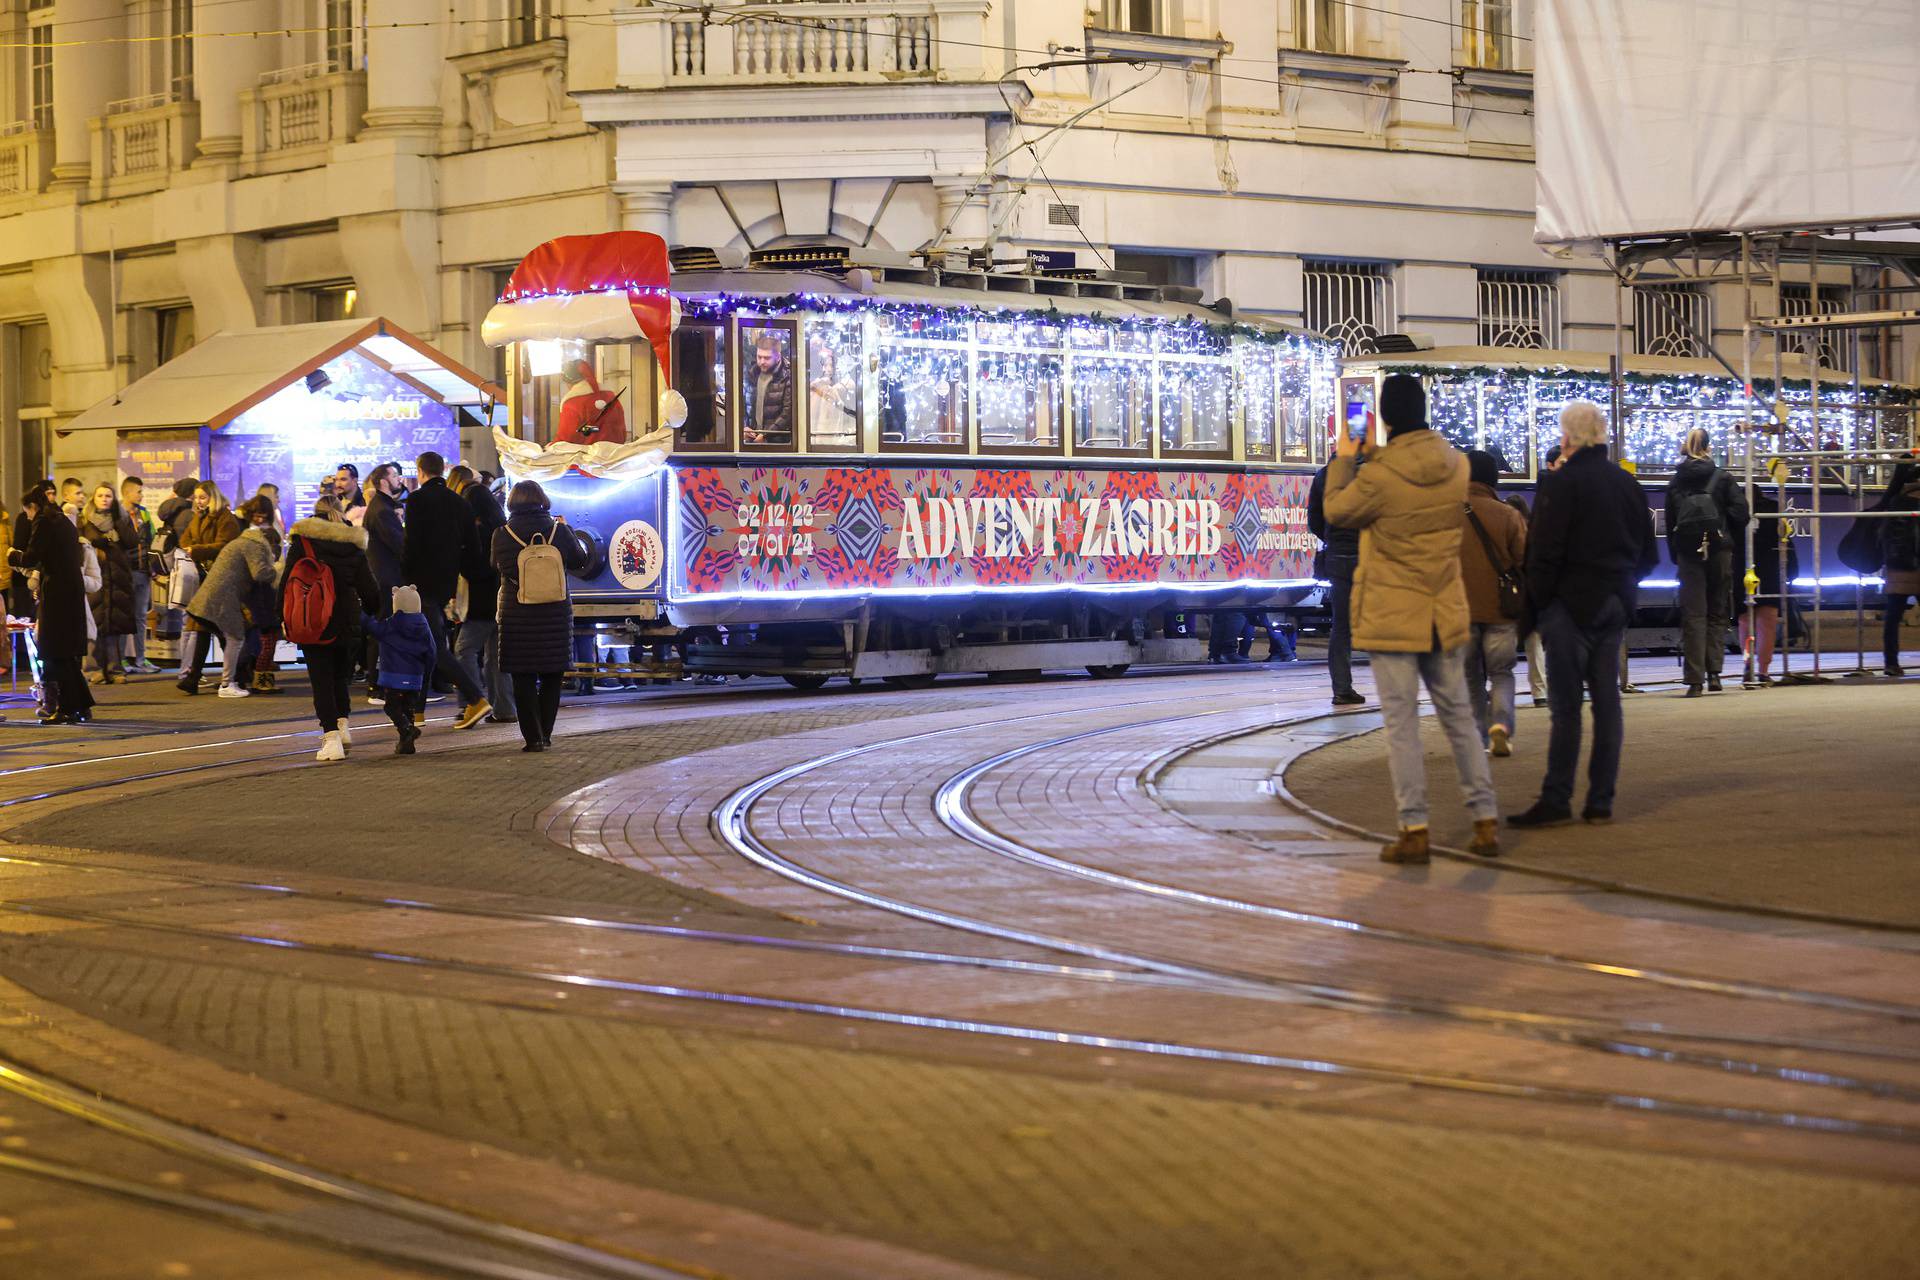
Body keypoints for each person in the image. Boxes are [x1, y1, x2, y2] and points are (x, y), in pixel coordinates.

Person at [1322, 374, 1499, 863]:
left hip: (1395, 615)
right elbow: (1411, 484)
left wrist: (1345, 458)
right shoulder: (1457, 466)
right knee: (1460, 720)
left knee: (1402, 726)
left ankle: (1415, 829)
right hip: (1442, 610)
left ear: (1385, 418)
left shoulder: (1377, 477)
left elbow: (1337, 511)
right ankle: (1485, 822)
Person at [1509, 402, 1658, 828]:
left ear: (1568, 438)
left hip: (1569, 606)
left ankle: (1557, 798)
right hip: (1613, 602)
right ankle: (1600, 800)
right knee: (1607, 702)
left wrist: (1540, 602)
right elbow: (1649, 554)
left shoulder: (1562, 484)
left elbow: (1545, 552)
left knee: (1567, 706)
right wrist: (1622, 584)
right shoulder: (1627, 485)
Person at [282, 496, 380, 761]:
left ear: (316, 513)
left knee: (321, 680)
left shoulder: (303, 540)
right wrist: (371, 613)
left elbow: (287, 581)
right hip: (347, 621)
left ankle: (331, 738)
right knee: (339, 678)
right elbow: (370, 590)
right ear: (340, 512)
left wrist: (283, 616)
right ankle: (343, 726)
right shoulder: (353, 541)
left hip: (313, 619)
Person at [494, 480, 586, 751]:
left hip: (517, 613)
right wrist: (568, 531)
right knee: (551, 676)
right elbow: (580, 560)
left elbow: (494, 566)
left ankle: (532, 739)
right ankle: (546, 734)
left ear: (513, 502)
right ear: (542, 500)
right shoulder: (559, 529)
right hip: (554, 613)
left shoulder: (502, 533)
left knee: (522, 677)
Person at [401, 451, 491, 728]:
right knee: (426, 642)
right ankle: (417, 712)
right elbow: (472, 550)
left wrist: (404, 581)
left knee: (433, 645)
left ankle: (476, 699)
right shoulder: (460, 503)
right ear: (442, 470)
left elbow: (412, 544)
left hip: (420, 583)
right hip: (447, 583)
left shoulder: (415, 501)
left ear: (420, 471)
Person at [1664, 428, 1747, 696]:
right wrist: (1724, 528)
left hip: (1689, 553)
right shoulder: (1722, 478)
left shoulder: (1676, 481)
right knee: (1717, 611)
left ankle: (1694, 681)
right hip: (1719, 550)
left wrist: (1676, 553)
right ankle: (1714, 675)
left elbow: (1670, 522)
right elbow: (1741, 513)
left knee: (1693, 614)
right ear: (1709, 448)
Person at [1459, 450, 1527, 757]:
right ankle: (1501, 726)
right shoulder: (1509, 515)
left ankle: (1478, 737)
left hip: (1460, 611)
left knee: (1471, 676)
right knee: (1502, 672)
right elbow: (1525, 560)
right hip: (1502, 608)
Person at [182, 497, 280, 698]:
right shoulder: (254, 544)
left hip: (208, 597)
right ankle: (227, 684)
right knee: (236, 637)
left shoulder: (241, 541)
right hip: (223, 599)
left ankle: (230, 678)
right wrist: (277, 570)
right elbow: (260, 573)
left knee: (230, 638)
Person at [10, 486, 93, 724]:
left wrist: (13, 556)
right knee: (63, 653)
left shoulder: (44, 522)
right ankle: (81, 706)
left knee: (56, 652)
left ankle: (68, 708)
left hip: (57, 593)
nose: (27, 517)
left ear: (33, 507)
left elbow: (33, 556)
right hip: (68, 592)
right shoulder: (63, 522)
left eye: (27, 512)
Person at [449, 464, 516, 723]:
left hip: (480, 601)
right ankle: (505, 708)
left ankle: (472, 702)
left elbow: (474, 568)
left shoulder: (475, 532)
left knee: (463, 651)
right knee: (496, 658)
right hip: (503, 599)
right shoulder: (502, 529)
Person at [1307, 453, 1365, 706]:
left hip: (1338, 556)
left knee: (1341, 625)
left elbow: (1314, 522)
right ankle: (1396, 688)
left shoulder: (1323, 476)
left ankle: (1342, 688)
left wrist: (1334, 537)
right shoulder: (1373, 473)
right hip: (1370, 555)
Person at [1736, 463, 1798, 686]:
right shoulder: (1774, 510)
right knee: (1767, 622)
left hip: (1740, 571)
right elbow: (1785, 540)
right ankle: (1763, 670)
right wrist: (1792, 572)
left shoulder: (1734, 512)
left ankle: (1746, 664)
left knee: (1744, 621)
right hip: (1770, 571)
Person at [363, 585, 435, 755]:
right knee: (408, 709)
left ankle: (406, 729)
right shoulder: (424, 627)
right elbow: (432, 653)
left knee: (391, 707)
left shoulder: (390, 625)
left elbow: (372, 627)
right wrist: (426, 676)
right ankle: (406, 744)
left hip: (393, 678)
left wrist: (360, 614)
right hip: (415, 678)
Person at [80, 482, 139, 684]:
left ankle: (115, 669)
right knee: (94, 622)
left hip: (117, 577)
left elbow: (132, 541)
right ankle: (92, 669)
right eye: (100, 495)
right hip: (95, 576)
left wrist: (120, 520)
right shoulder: (85, 521)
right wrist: (104, 543)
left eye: (108, 496)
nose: (104, 499)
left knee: (114, 623)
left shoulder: (121, 519)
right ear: (93, 499)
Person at [360, 462, 407, 696]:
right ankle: (376, 684)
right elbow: (399, 544)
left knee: (384, 628)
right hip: (386, 578)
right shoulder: (381, 510)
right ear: (383, 482)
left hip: (384, 577)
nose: (399, 479)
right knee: (383, 628)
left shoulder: (384, 507)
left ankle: (380, 681)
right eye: (394, 475)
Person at [1506, 493, 1548, 707]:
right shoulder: (1535, 531)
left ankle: (1503, 691)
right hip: (1531, 596)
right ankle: (1540, 693)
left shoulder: (1509, 530)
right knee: (1535, 645)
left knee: (1508, 645)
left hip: (1512, 596)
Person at [1879, 461, 1920, 677]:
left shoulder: (1895, 501)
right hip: (1918, 566)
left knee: (1893, 617)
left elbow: (1884, 535)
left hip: (1898, 568)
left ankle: (1891, 662)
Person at [120, 476, 161, 674]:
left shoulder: (144, 514)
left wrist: (153, 568)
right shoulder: (118, 513)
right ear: (127, 493)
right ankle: (121, 660)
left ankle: (141, 659)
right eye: (138, 491)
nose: (141, 495)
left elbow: (151, 541)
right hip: (124, 573)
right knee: (122, 617)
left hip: (143, 572)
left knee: (140, 618)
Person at [556, 358, 628, 446]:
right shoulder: (611, 396)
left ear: (569, 382)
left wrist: (551, 447)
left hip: (588, 457)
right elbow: (622, 431)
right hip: (616, 454)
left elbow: (567, 439)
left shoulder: (572, 403)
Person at [742, 334, 793, 446]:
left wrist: (766, 434)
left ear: (778, 357)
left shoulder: (788, 376)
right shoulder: (752, 374)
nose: (761, 361)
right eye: (759, 357)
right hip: (752, 439)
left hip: (778, 443)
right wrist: (744, 426)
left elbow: (787, 413)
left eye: (767, 358)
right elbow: (743, 405)